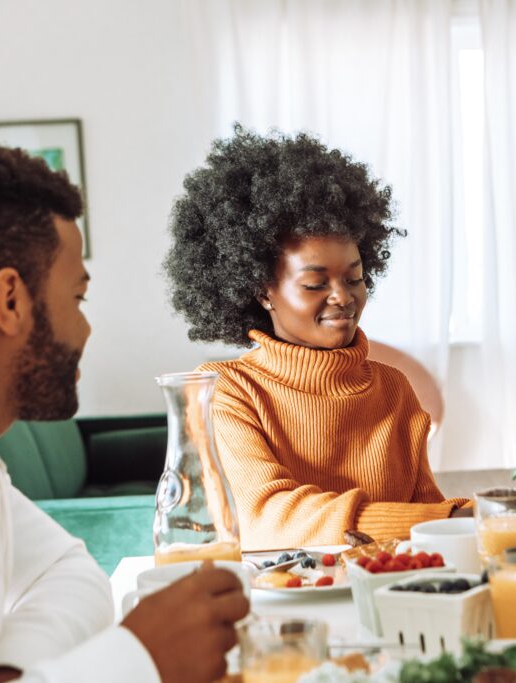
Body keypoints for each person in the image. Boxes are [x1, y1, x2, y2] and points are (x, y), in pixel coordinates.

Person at [0, 145, 249, 683]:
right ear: (11, 301)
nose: (84, 330)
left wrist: (6, 673)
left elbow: (68, 571)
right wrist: (137, 660)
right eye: (78, 298)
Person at [164, 126, 470, 551]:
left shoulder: (393, 389)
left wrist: (468, 521)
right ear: (262, 290)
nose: (343, 297)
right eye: (314, 284)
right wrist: (448, 517)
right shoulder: (227, 390)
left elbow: (425, 517)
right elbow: (267, 517)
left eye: (355, 277)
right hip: (287, 603)